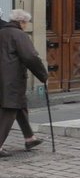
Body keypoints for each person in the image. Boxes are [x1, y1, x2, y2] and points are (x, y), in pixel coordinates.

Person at [0, 9, 49, 157]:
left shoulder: (2, 32)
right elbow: (30, 57)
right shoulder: (20, 35)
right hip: (12, 79)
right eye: (26, 23)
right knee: (10, 108)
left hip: (4, 78)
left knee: (19, 106)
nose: (27, 25)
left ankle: (30, 138)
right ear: (21, 22)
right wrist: (43, 75)